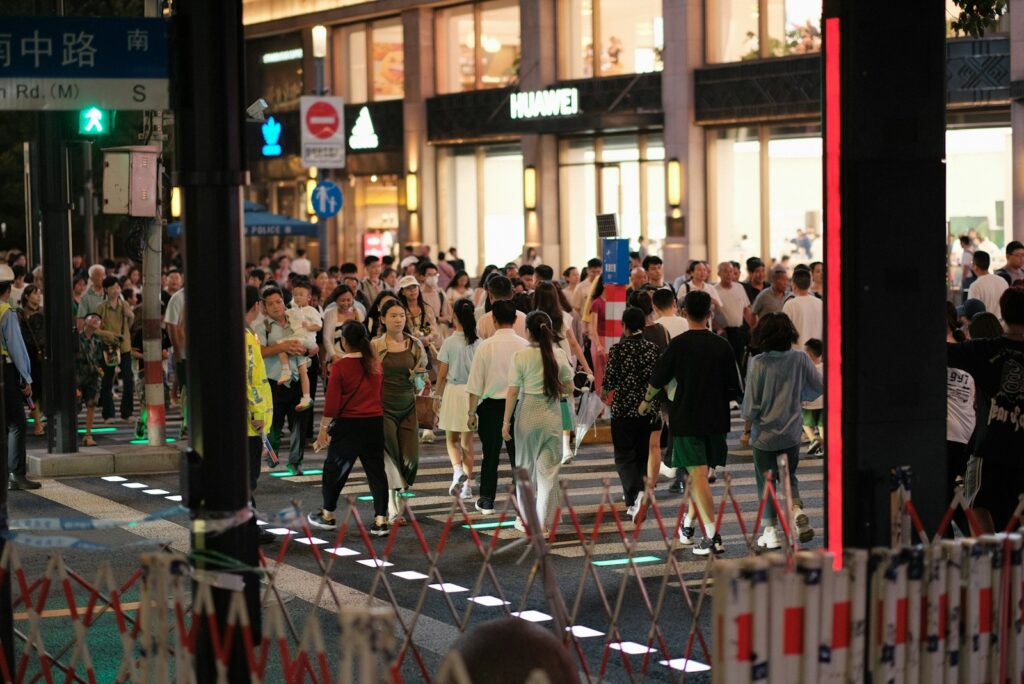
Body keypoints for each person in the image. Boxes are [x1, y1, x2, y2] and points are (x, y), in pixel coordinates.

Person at [640, 291, 741, 555]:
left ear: (684, 313)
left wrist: (644, 403)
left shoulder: (679, 344)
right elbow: (735, 387)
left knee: (698, 476)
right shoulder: (723, 346)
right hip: (717, 419)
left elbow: (657, 379)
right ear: (710, 314)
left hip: (685, 416)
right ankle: (687, 525)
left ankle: (712, 537)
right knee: (702, 476)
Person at [741, 312, 822, 549]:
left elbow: (750, 406)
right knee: (789, 476)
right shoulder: (800, 358)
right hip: (792, 432)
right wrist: (800, 399)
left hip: (765, 435)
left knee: (766, 481)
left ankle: (771, 531)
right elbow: (817, 386)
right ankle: (796, 512)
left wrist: (749, 424)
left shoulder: (758, 363)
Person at [948, 288, 1024, 532]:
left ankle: (988, 555)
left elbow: (940, 351)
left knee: (977, 503)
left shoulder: (985, 349)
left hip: (990, 448)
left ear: (1003, 313)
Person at [308, 321, 391, 537]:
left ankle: (328, 514)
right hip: (374, 422)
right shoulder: (376, 364)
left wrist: (322, 430)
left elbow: (332, 404)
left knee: (335, 470)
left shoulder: (340, 367)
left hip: (348, 425)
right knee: (376, 472)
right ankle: (381, 519)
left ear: (344, 341)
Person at [503, 311, 574, 534]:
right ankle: (541, 523)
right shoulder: (559, 354)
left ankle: (526, 520)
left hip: (526, 414)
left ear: (527, 331)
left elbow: (513, 391)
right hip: (551, 416)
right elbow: (569, 387)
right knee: (548, 473)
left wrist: (506, 421)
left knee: (524, 471)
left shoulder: (520, 356)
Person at [466, 300, 528, 515]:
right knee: (519, 456)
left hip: (491, 406)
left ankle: (486, 500)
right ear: (516, 319)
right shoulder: (525, 345)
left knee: (490, 454)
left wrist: (471, 412)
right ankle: (523, 500)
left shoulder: (485, 346)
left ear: (493, 319)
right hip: (519, 405)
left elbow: (475, 382)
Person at [602, 307, 663, 523]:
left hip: (623, 410)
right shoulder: (653, 349)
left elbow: (609, 382)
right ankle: (638, 497)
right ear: (644, 325)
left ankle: (634, 496)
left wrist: (603, 393)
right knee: (643, 453)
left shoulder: (617, 350)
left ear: (624, 326)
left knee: (624, 456)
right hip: (648, 409)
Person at [373, 299, 429, 524]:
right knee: (391, 457)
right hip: (383, 407)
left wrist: (417, 378)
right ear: (383, 319)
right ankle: (393, 507)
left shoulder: (415, 344)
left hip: (409, 406)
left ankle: (397, 502)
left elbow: (423, 375)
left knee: (410, 458)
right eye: (393, 316)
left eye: (402, 316)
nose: (398, 320)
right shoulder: (375, 346)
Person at [257, 287, 308, 476]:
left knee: (298, 424)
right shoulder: (262, 326)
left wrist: (305, 349)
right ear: (264, 307)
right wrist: (283, 346)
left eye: (278, 302)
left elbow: (311, 343)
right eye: (270, 304)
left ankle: (295, 462)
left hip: (297, 379)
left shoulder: (295, 321)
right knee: (274, 424)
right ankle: (272, 454)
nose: (276, 306)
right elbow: (260, 351)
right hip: (274, 381)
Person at [435, 299, 481, 500]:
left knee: (451, 439)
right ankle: (467, 485)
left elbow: (442, 374)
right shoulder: (479, 343)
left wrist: (437, 395)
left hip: (453, 392)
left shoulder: (449, 342)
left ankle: (457, 471)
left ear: (454, 316)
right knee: (467, 441)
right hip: (472, 393)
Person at [241, 286, 275, 544]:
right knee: (247, 478)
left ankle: (246, 525)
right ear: (255, 306)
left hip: (242, 420)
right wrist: (257, 412)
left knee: (244, 477)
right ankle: (247, 527)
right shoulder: (245, 336)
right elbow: (250, 378)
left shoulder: (241, 332)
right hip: (250, 422)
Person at [0, 265, 39, 489]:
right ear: (7, 290)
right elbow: (16, 348)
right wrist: (25, 378)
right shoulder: (7, 312)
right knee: (17, 423)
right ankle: (16, 474)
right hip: (6, 370)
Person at [275, 280, 322, 411]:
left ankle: (286, 371)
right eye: (295, 295)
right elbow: (283, 314)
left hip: (307, 340)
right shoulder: (292, 310)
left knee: (282, 345)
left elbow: (319, 326)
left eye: (301, 294)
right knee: (302, 370)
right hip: (297, 339)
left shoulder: (311, 310)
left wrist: (309, 326)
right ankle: (306, 397)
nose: (298, 297)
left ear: (309, 297)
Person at [94, 276, 134, 421]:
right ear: (106, 290)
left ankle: (127, 412)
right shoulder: (101, 308)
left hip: (124, 347)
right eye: (112, 288)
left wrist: (130, 316)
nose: (116, 291)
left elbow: (130, 324)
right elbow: (95, 329)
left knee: (128, 379)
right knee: (107, 380)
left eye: (118, 287)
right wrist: (109, 334)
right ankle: (108, 413)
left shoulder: (124, 305)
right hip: (108, 348)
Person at [17, 285, 45, 434]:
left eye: (39, 293)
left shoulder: (43, 312)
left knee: (42, 388)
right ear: (26, 296)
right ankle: (38, 425)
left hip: (43, 353)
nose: (38, 296)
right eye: (35, 293)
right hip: (28, 352)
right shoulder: (20, 314)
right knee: (32, 388)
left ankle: (38, 418)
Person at [75, 313, 105, 447]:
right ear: (84, 321)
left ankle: (88, 435)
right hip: (77, 376)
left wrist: (99, 369)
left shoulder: (97, 341)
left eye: (98, 319)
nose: (95, 319)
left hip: (92, 377)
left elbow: (99, 359)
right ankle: (71, 432)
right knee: (74, 406)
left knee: (91, 404)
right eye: (92, 317)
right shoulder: (76, 339)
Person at [715, 261, 754, 364]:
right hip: (724, 332)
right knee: (726, 363)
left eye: (731, 271)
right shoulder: (714, 290)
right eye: (725, 271)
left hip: (739, 331)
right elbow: (712, 314)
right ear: (718, 273)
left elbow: (746, 310)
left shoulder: (739, 287)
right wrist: (719, 329)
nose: (728, 274)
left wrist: (753, 328)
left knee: (741, 361)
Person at [322, 284, 365, 362]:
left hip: (355, 358)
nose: (346, 303)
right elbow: (326, 338)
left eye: (349, 300)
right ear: (336, 300)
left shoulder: (358, 312)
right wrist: (333, 356)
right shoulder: (330, 313)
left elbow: (363, 336)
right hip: (335, 357)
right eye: (342, 300)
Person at [781, 268, 822, 348]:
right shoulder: (820, 303)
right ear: (810, 284)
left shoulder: (790, 305)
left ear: (794, 285)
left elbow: (783, 331)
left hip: (797, 355)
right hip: (817, 354)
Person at [478, 275, 528, 339]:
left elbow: (481, 346)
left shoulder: (483, 320)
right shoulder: (524, 317)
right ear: (511, 294)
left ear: (490, 296)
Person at [967, 251, 1009, 319]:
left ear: (975, 266)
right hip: (1002, 325)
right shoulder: (1003, 281)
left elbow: (972, 311)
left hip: (984, 326)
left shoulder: (975, 286)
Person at [801, 338, 824, 456]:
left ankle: (814, 440)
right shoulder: (826, 366)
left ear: (809, 353)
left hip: (808, 403)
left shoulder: (805, 369)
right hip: (824, 403)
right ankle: (824, 446)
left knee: (805, 424)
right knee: (822, 425)